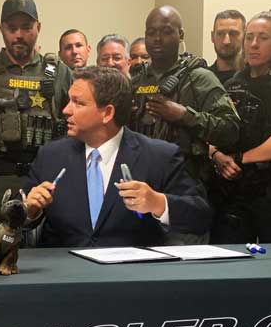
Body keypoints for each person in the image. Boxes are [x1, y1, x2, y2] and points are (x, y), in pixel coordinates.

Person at [24, 67, 211, 247]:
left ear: (107, 113)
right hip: (63, 271)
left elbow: (200, 217)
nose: (66, 110)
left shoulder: (160, 156)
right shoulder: (50, 156)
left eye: (78, 103)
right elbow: (19, 217)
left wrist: (158, 203)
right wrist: (31, 211)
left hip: (130, 273)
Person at [129, 5, 240, 244]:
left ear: (180, 35)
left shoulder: (199, 78)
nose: (157, 39)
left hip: (184, 187)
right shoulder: (136, 79)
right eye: (151, 32)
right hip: (140, 186)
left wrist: (183, 115)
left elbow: (230, 129)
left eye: (166, 31)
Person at [0, 0, 72, 238]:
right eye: (11, 27)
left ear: (39, 27)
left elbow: (76, 127)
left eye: (26, 27)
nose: (19, 35)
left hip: (48, 185)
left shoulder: (60, 73)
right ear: (1, 29)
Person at [210, 10, 271, 244]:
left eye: (263, 38)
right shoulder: (234, 83)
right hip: (235, 190)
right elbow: (214, 128)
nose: (253, 44)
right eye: (249, 37)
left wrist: (241, 157)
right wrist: (217, 155)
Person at [208, 9, 246, 84]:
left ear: (245, 36)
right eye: (220, 34)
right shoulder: (202, 80)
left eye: (233, 34)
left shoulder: (254, 78)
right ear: (212, 37)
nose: (226, 41)